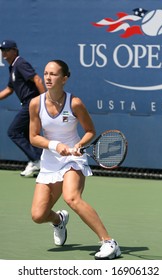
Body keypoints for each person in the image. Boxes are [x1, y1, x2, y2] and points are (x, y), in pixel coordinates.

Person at [29, 59, 121, 260]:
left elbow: (90, 131)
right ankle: (59, 220)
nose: (48, 77)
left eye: (53, 74)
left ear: (64, 79)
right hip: (50, 162)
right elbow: (34, 137)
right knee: (38, 215)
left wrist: (78, 146)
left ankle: (109, 242)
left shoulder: (75, 103)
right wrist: (56, 146)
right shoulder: (36, 104)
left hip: (73, 160)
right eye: (46, 73)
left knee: (72, 198)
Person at [0, 40, 46, 176]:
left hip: (32, 103)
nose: (4, 53)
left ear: (14, 51)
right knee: (28, 135)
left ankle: (37, 160)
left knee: (13, 132)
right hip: (27, 104)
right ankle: (37, 160)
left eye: (7, 50)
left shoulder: (20, 63)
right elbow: (9, 89)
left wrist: (45, 100)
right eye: (2, 50)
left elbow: (37, 80)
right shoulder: (13, 67)